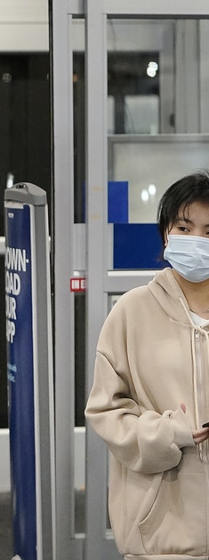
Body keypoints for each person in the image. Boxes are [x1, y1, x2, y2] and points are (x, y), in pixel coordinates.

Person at [85, 171, 209, 559]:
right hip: (163, 534)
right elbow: (106, 411)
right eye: (185, 227)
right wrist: (167, 434)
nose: (197, 240)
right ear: (166, 233)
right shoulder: (132, 311)